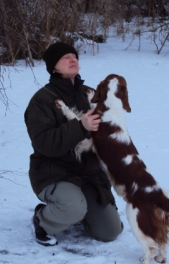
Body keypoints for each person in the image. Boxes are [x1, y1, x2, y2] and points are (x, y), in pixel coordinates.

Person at [24, 42, 123, 246]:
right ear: (53, 67)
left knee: (110, 232)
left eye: (74, 56)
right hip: (53, 173)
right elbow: (45, 144)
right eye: (65, 57)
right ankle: (43, 220)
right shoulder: (41, 100)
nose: (72, 59)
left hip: (88, 174)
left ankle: (79, 210)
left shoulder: (90, 94)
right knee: (73, 207)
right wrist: (80, 127)